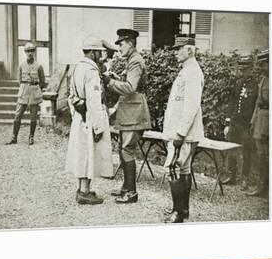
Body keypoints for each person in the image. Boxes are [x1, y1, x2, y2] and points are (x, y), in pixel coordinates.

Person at [103, 28, 151, 203]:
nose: (120, 48)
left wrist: (110, 82)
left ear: (130, 43)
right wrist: (115, 78)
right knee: (124, 149)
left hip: (134, 112)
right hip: (129, 111)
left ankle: (131, 193)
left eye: (121, 44)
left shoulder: (135, 61)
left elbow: (131, 87)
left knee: (127, 150)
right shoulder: (132, 59)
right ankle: (125, 187)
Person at [65, 37, 113, 205]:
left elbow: (71, 95)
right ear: (92, 52)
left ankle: (81, 188)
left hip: (80, 116)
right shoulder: (91, 71)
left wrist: (76, 113)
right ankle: (85, 192)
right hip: (90, 117)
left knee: (81, 152)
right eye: (99, 52)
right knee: (88, 153)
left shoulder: (77, 68)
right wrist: (98, 126)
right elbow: (94, 101)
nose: (101, 55)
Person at [162, 39, 205, 223]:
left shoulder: (193, 72)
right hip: (185, 132)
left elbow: (191, 106)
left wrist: (180, 132)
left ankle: (178, 213)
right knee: (184, 169)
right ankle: (182, 210)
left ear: (189, 51)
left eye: (178, 49)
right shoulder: (188, 70)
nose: (175, 52)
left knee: (172, 167)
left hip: (184, 133)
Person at [222, 56, 258, 189]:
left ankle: (245, 179)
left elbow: (255, 105)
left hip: (246, 124)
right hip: (234, 122)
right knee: (231, 148)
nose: (242, 73)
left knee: (246, 151)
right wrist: (228, 121)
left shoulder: (255, 85)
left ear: (250, 70)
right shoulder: (237, 83)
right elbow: (232, 102)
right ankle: (231, 175)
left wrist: (252, 123)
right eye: (241, 70)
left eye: (245, 70)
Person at [5, 42, 47, 145]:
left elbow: (42, 82)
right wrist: (25, 87)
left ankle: (31, 137)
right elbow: (19, 80)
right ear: (25, 52)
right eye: (28, 51)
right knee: (18, 115)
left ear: (34, 52)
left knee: (33, 116)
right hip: (23, 91)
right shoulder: (22, 65)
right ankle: (14, 137)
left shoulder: (39, 66)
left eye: (32, 51)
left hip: (34, 92)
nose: (30, 53)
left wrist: (36, 89)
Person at [245, 50, 269, 198]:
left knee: (267, 154)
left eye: (264, 64)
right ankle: (262, 186)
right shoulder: (264, 79)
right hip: (261, 119)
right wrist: (253, 120)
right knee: (261, 154)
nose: (261, 67)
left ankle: (266, 187)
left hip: (268, 119)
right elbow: (257, 103)